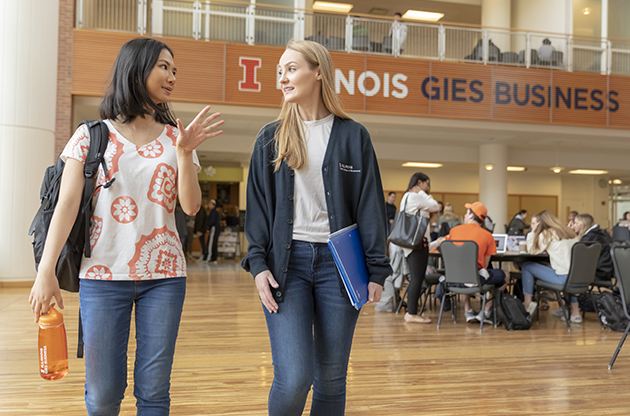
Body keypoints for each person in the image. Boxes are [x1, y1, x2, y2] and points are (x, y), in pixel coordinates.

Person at [28, 37, 224, 415]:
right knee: (103, 395)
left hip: (164, 275)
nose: (171, 76)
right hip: (101, 276)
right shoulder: (90, 135)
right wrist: (45, 271)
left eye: (174, 70)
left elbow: (191, 205)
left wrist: (184, 153)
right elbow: (66, 206)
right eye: (163, 67)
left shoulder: (176, 138)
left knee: (154, 391)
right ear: (136, 70)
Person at [241, 40, 391, 416]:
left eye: (291, 69)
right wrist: (257, 266)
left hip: (339, 269)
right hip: (285, 270)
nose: (283, 79)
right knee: (293, 377)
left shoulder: (354, 136)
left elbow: (370, 207)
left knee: (331, 379)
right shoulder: (270, 138)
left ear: (318, 71)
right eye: (280, 72)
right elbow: (257, 210)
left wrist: (377, 269)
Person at [433, 202, 508, 324]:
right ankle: (485, 311)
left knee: (463, 269)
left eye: (467, 212)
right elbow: (484, 265)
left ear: (472, 216)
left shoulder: (453, 231)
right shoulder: (488, 236)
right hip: (475, 280)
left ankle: (468, 311)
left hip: (453, 280)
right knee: (506, 275)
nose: (465, 214)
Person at [395, 172, 440, 324]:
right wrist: (422, 192)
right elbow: (435, 206)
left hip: (410, 243)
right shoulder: (415, 196)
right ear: (419, 182)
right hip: (418, 243)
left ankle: (411, 311)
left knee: (416, 277)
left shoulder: (406, 197)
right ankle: (411, 313)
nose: (428, 188)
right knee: (417, 278)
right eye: (427, 184)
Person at [521, 211, 579, 321]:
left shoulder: (547, 233)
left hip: (563, 278)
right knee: (563, 271)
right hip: (577, 277)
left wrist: (532, 232)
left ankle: (528, 305)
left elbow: (532, 250)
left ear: (540, 223)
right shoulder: (570, 232)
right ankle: (575, 313)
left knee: (526, 266)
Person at [573, 213, 613, 281]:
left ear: (583, 224)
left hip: (599, 272)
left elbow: (578, 256)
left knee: (567, 273)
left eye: (576, 223)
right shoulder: (595, 234)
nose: (574, 226)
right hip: (604, 269)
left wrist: (570, 232)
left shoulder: (590, 237)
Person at [206, 199, 221, 263]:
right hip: (214, 228)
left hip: (214, 228)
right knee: (213, 242)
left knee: (211, 243)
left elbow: (211, 221)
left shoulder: (213, 212)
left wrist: (207, 226)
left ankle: (210, 257)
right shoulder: (213, 212)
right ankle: (213, 257)